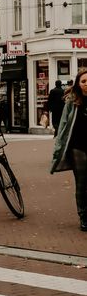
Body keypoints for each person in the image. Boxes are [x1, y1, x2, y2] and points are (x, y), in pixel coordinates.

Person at [51, 69, 87, 231]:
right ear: (78, 84)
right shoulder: (72, 101)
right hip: (78, 147)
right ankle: (84, 216)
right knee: (82, 183)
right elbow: (64, 125)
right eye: (84, 81)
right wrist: (58, 148)